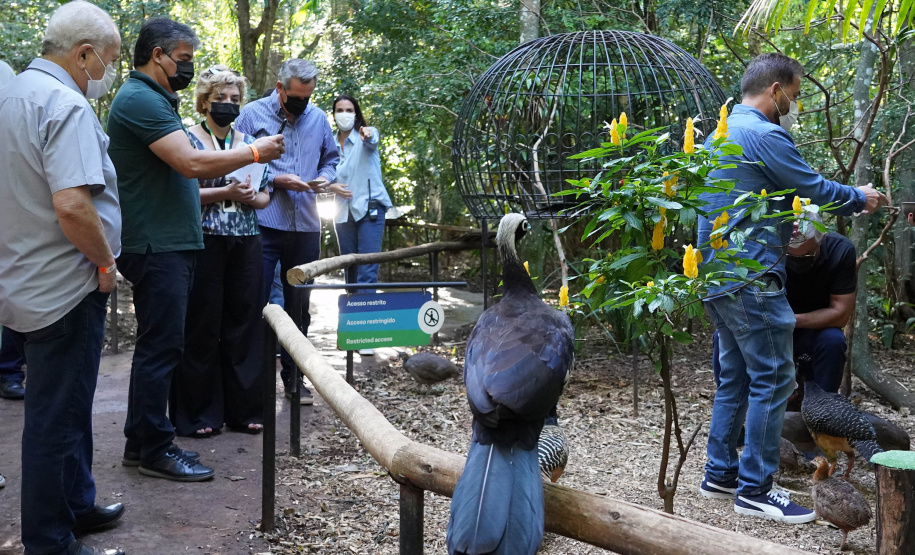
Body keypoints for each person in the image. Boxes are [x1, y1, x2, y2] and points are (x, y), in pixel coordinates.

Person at [696, 52, 887, 524]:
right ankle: (756, 490)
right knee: (775, 377)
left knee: (736, 377)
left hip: (715, 274)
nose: (794, 106)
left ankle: (720, 474)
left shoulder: (719, 134)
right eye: (795, 96)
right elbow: (812, 186)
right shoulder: (764, 133)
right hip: (750, 276)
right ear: (776, 90)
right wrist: (859, 198)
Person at [107, 17, 285, 482]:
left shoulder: (155, 99)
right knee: (163, 347)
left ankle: (139, 441)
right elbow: (189, 162)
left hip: (173, 240)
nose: (187, 68)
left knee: (162, 345)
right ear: (158, 55)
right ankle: (156, 449)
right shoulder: (141, 99)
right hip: (157, 242)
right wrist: (254, 153)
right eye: (183, 59)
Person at [0, 2, 126, 553]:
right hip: (65, 285)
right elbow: (73, 204)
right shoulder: (64, 104)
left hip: (25, 275)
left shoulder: (12, 94)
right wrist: (105, 263)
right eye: (109, 62)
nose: (108, 73)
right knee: (55, 417)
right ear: (84, 54)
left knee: (70, 404)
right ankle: (49, 540)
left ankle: (77, 502)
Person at [169, 66, 268, 438]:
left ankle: (245, 411)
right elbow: (183, 195)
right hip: (204, 240)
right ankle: (198, 414)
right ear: (204, 102)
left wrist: (249, 196)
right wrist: (224, 192)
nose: (228, 104)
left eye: (234, 99)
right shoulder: (187, 140)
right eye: (220, 98)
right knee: (202, 324)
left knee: (245, 323)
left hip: (246, 239)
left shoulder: (252, 143)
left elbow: (265, 197)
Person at [235, 58, 339, 405]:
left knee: (299, 306)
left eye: (308, 97)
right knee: (254, 302)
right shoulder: (252, 115)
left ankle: (295, 379)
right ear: (280, 88)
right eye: (296, 97)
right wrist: (277, 179)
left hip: (305, 224)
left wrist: (324, 178)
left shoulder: (319, 119)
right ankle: (252, 387)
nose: (302, 103)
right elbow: (235, 161)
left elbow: (331, 159)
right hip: (263, 223)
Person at [711, 211, 856, 403]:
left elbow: (840, 314)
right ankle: (734, 404)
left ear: (821, 240)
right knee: (723, 336)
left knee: (833, 341)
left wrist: (786, 320)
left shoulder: (840, 250)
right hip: (764, 326)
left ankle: (823, 408)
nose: (797, 262)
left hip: (811, 328)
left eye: (806, 256)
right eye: (789, 257)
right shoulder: (759, 247)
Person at [330, 94, 391, 356]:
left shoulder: (366, 135)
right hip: (343, 212)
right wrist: (331, 186)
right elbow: (325, 175)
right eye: (339, 110)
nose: (344, 114)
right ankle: (352, 330)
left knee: (367, 270)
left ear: (356, 113)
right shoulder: (330, 144)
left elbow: (372, 138)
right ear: (333, 114)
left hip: (370, 209)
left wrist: (368, 133)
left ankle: (366, 334)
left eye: (349, 109)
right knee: (350, 271)